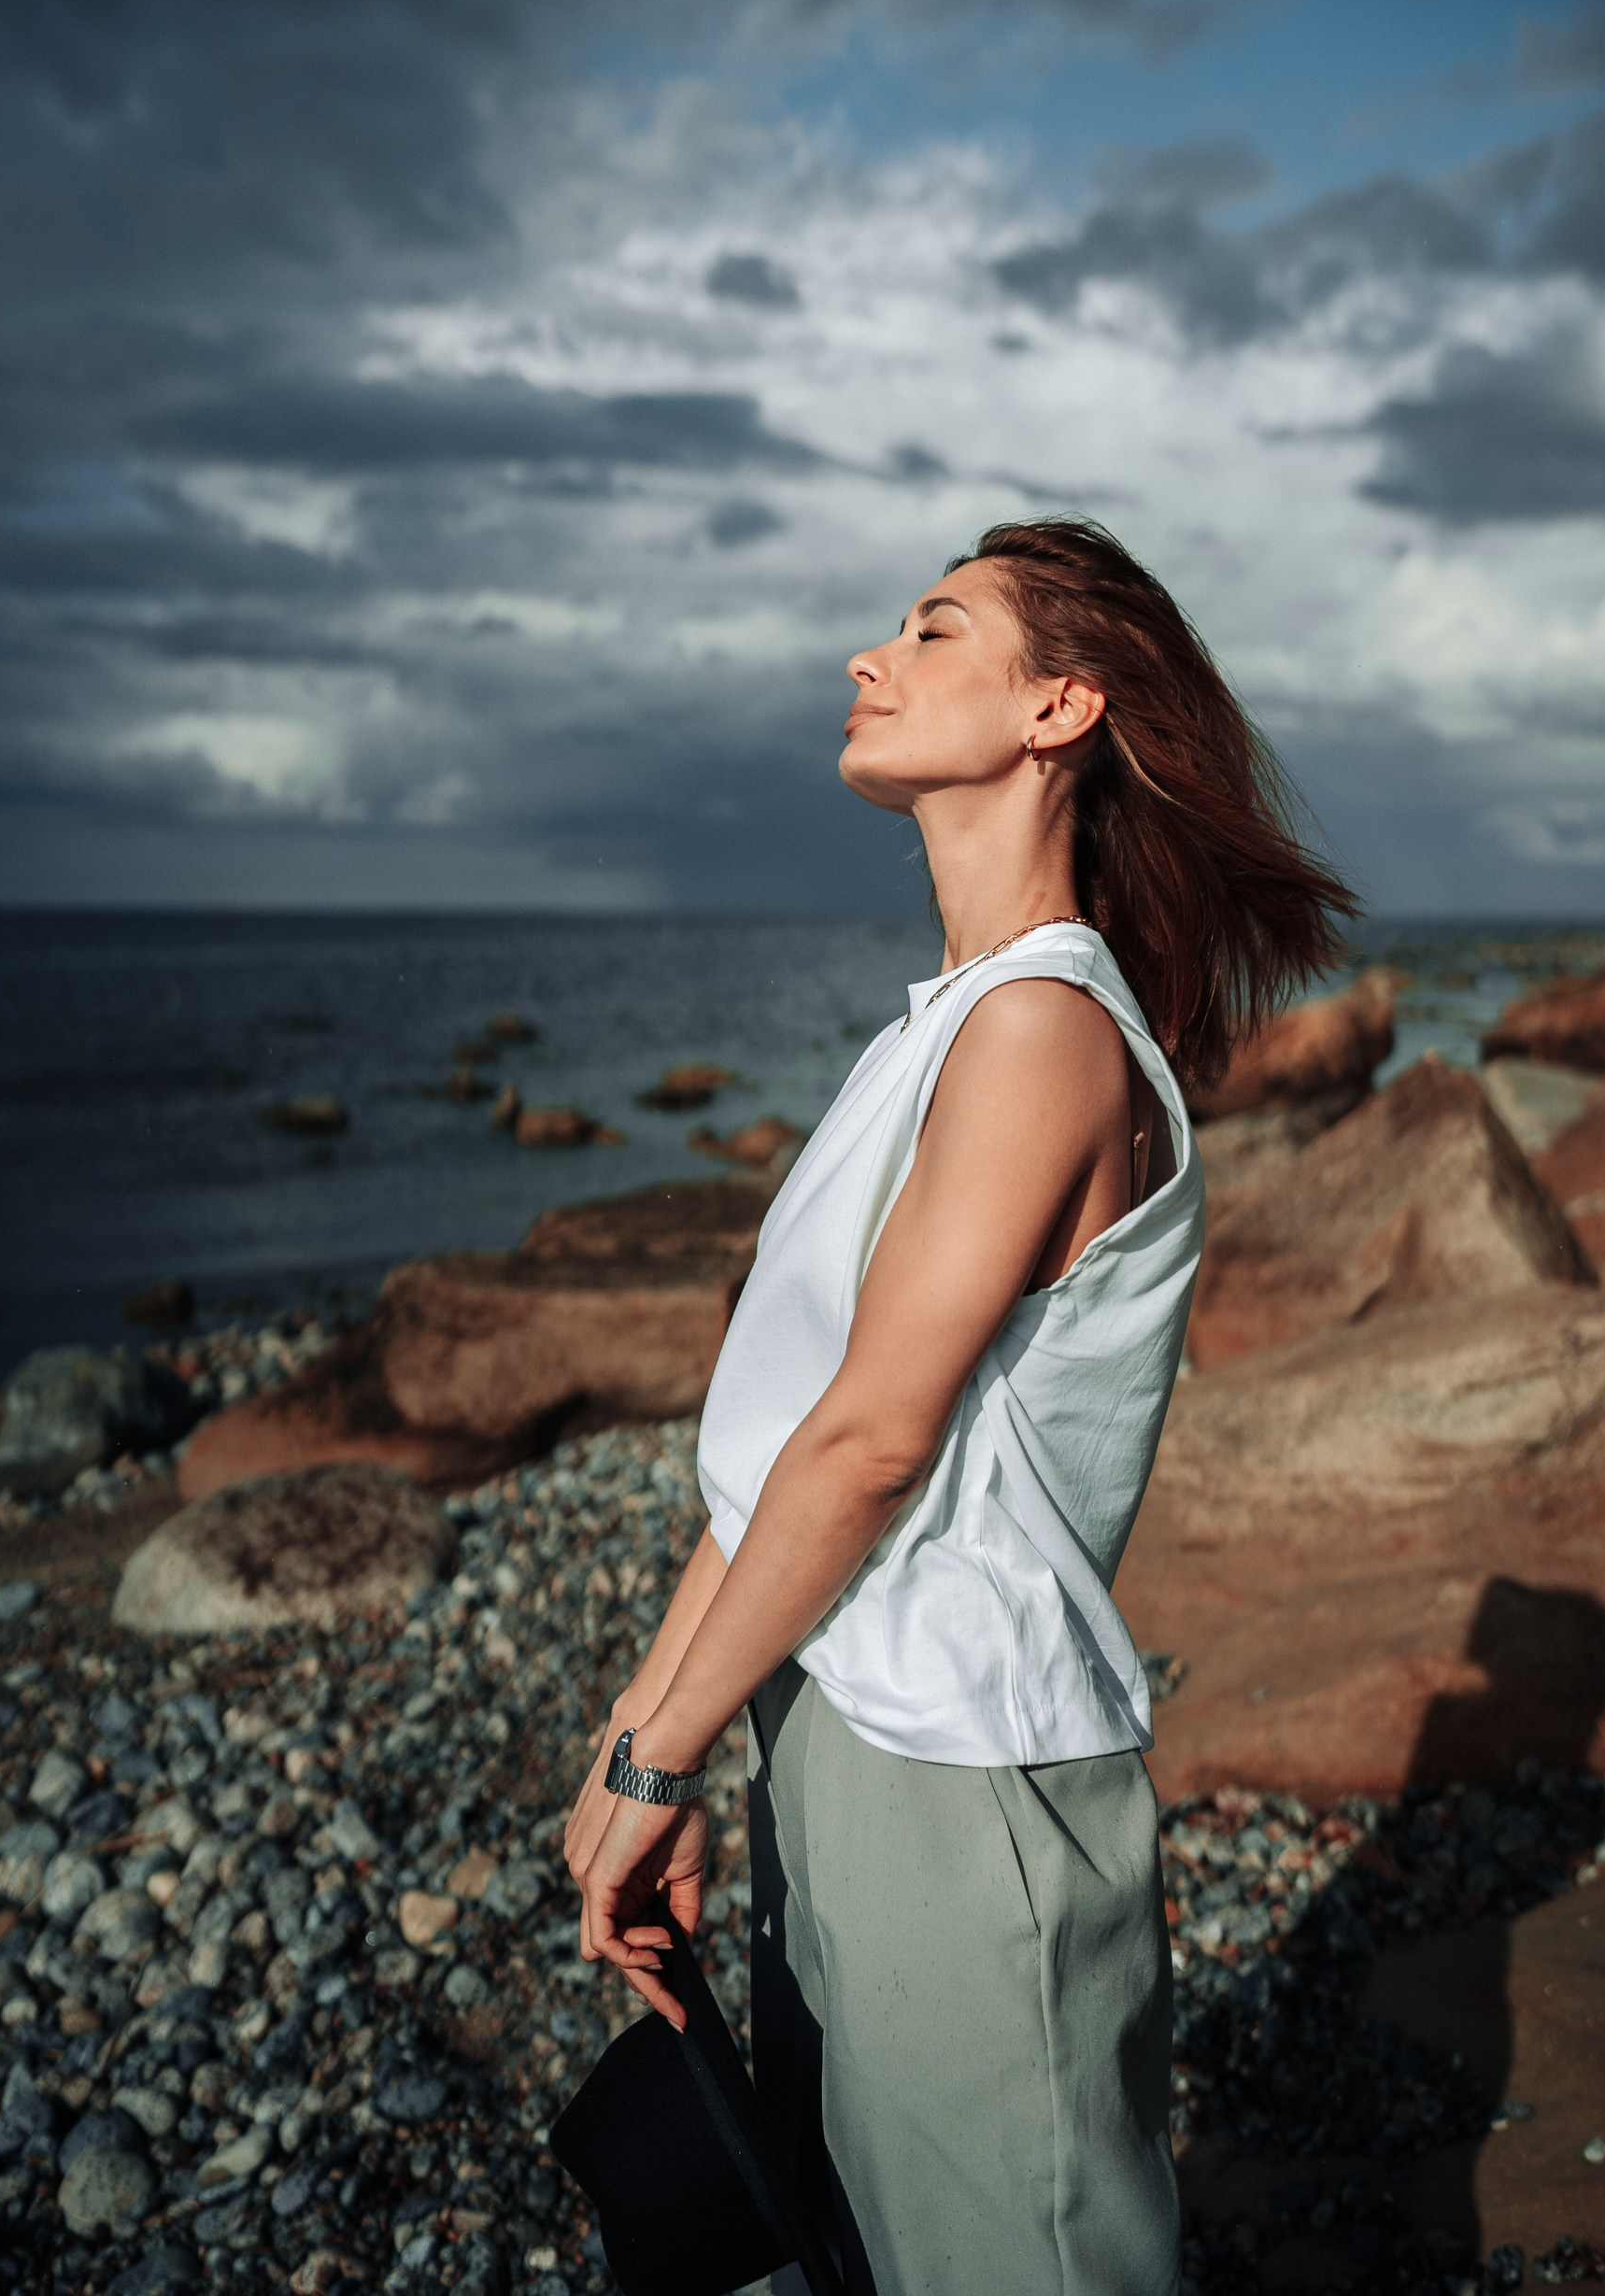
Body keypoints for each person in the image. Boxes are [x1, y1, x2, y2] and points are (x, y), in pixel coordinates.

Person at [564, 516, 1355, 2296]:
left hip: (970, 1775)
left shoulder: (1047, 1035)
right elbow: (787, 1450)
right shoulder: (943, 1030)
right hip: (843, 1740)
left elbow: (873, 1445)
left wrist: (652, 1754)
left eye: (932, 631)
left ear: (1059, 704)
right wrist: (665, 1731)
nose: (872, 658)